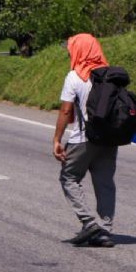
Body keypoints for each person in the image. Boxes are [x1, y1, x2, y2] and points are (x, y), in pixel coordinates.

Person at [52, 33, 116, 248]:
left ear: (79, 50)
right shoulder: (110, 75)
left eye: (71, 48)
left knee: (69, 177)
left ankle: (89, 223)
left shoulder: (75, 77)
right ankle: (105, 230)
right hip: (108, 139)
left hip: (82, 139)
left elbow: (66, 110)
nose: (69, 52)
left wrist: (57, 139)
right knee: (105, 183)